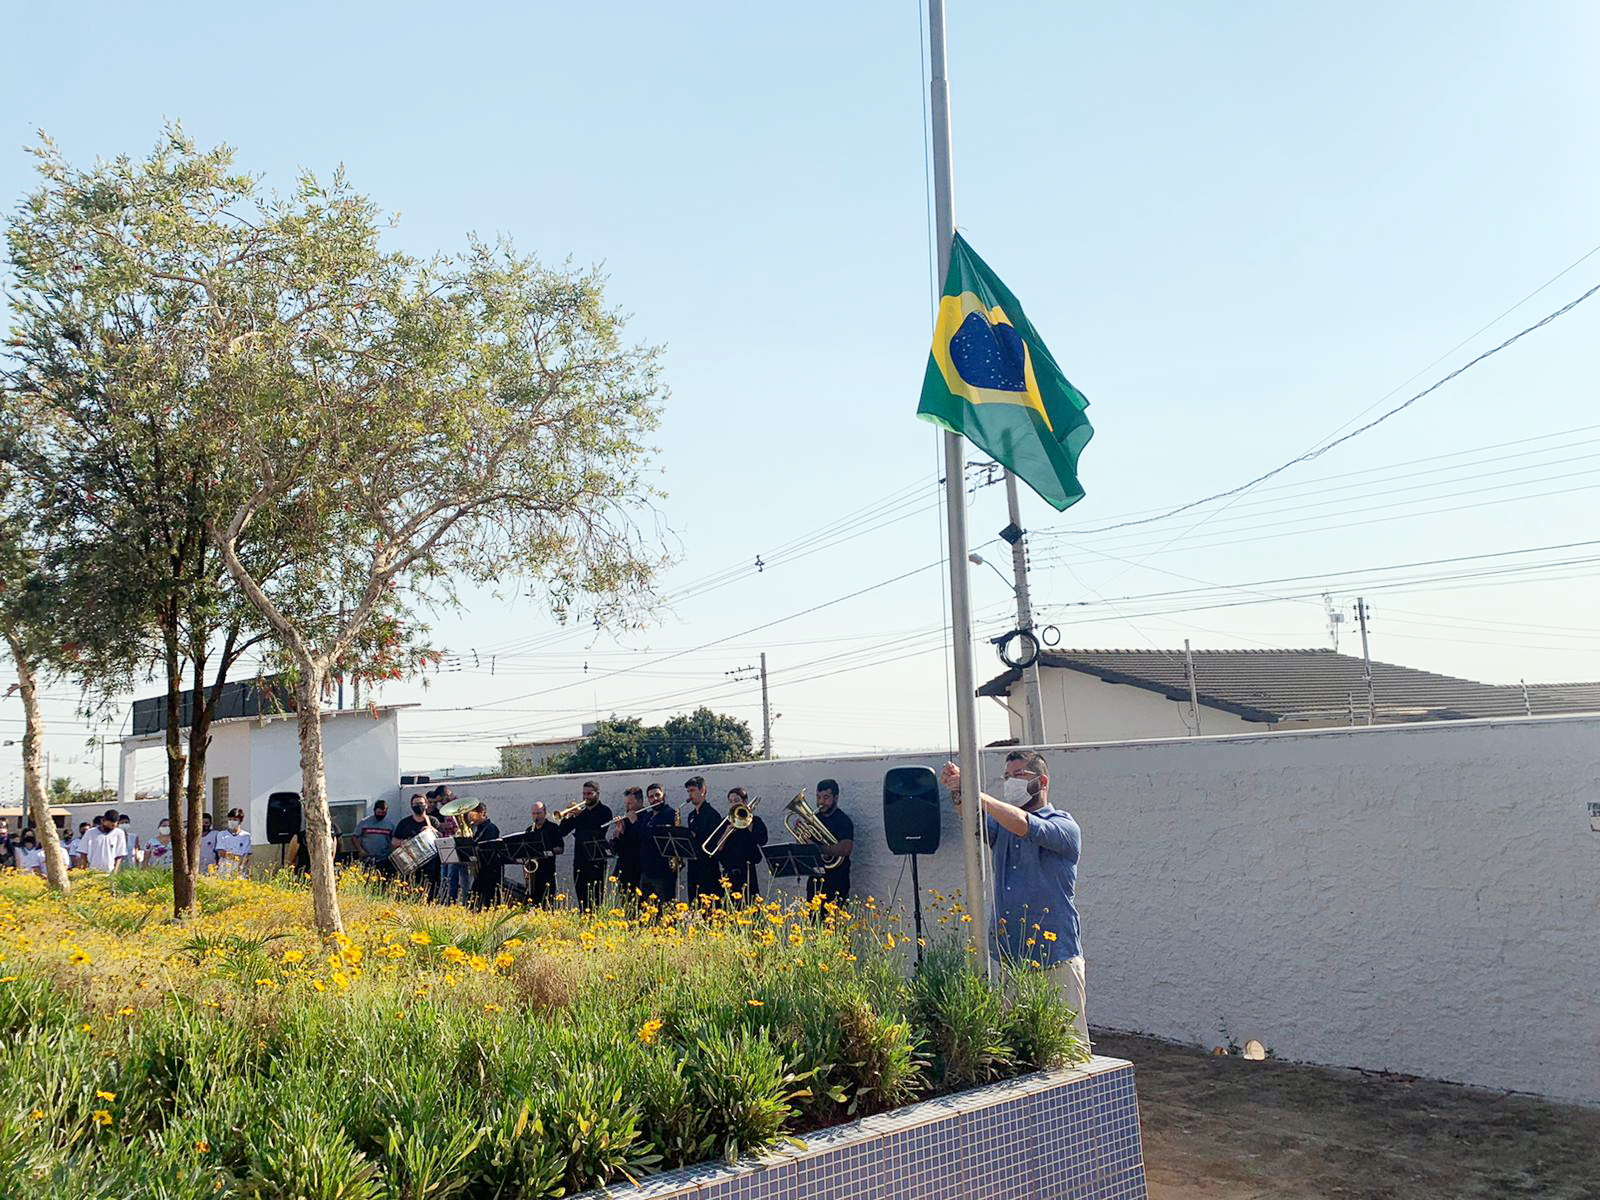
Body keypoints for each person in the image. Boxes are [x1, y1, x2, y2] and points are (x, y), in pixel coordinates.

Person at [940, 751, 1088, 1052]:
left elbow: (1025, 824)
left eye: (1018, 775)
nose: (1010, 783)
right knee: (1017, 1047)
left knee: (1067, 1047)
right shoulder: (1003, 825)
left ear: (1041, 781)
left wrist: (978, 793)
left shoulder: (1064, 826)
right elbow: (973, 818)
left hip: (1055, 959)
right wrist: (959, 791)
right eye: (1006, 777)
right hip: (1013, 958)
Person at [556, 781, 613, 911]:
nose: (586, 797)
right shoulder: (579, 813)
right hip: (580, 861)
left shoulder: (605, 811)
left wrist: (580, 815)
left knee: (596, 901)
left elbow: (597, 831)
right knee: (582, 900)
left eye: (589, 794)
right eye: (584, 794)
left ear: (597, 794)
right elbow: (562, 832)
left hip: (596, 862)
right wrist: (568, 816)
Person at [806, 778, 856, 907]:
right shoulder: (813, 819)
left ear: (836, 798)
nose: (821, 802)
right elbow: (806, 847)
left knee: (834, 924)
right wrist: (802, 835)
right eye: (818, 797)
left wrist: (819, 849)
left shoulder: (843, 821)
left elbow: (846, 849)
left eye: (826, 797)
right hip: (815, 881)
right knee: (812, 924)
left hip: (837, 881)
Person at [714, 786, 768, 901]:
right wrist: (726, 833)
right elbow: (717, 849)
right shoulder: (725, 823)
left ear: (745, 802)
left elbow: (762, 840)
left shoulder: (755, 821)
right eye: (731, 801)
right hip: (729, 874)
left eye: (737, 800)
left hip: (748, 873)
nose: (734, 804)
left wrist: (748, 822)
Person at [637, 782, 680, 912]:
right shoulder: (647, 816)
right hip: (646, 869)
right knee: (647, 910)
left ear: (664, 796)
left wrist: (635, 822)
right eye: (651, 797)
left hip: (662, 870)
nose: (655, 799)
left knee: (665, 908)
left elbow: (654, 835)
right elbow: (640, 838)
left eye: (657, 795)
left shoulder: (670, 814)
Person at [681, 776, 724, 904]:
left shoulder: (712, 815)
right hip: (693, 866)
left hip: (708, 868)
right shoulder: (691, 816)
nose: (690, 794)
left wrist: (695, 836)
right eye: (688, 791)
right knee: (694, 903)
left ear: (703, 790)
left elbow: (714, 845)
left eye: (693, 790)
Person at [391, 793, 441, 900]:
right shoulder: (404, 823)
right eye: (415, 804)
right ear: (411, 806)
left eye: (421, 803)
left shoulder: (432, 821)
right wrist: (403, 843)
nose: (418, 806)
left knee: (430, 890)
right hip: (411, 863)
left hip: (430, 863)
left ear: (426, 804)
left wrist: (433, 830)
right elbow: (394, 841)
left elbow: (441, 839)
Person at [519, 801, 564, 907]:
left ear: (545, 813)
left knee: (547, 902)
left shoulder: (552, 828)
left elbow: (560, 848)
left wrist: (548, 851)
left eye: (538, 813)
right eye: (534, 814)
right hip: (533, 873)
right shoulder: (529, 830)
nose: (536, 816)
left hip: (547, 871)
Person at [606, 787, 645, 896]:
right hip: (624, 870)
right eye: (626, 804)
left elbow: (643, 840)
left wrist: (634, 822)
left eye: (630, 804)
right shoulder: (625, 820)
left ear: (640, 802)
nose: (627, 807)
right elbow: (616, 850)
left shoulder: (646, 818)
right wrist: (619, 832)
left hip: (639, 870)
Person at [463, 802, 502, 909]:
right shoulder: (477, 828)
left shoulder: (491, 828)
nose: (470, 816)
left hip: (490, 870)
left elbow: (488, 848)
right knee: (473, 899)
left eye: (473, 813)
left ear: (482, 813)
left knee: (489, 900)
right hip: (481, 870)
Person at [430, 788, 465, 904]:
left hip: (456, 844)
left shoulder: (458, 805)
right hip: (447, 843)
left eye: (441, 801)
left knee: (451, 876)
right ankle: (444, 901)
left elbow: (456, 825)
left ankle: (451, 902)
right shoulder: (446, 807)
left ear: (446, 795)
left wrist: (440, 825)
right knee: (444, 875)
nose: (441, 804)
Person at [353, 800, 397, 877]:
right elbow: (354, 837)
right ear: (374, 811)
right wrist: (360, 850)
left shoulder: (390, 825)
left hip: (383, 859)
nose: (381, 815)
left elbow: (394, 841)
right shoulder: (364, 822)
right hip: (367, 858)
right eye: (379, 813)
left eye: (383, 813)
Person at [213, 808, 252, 879]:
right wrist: (237, 857)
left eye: (235, 820)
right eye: (230, 819)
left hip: (239, 872)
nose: (231, 822)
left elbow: (246, 856)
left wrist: (240, 868)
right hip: (224, 871)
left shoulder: (246, 836)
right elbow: (221, 853)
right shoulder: (222, 835)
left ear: (240, 821)